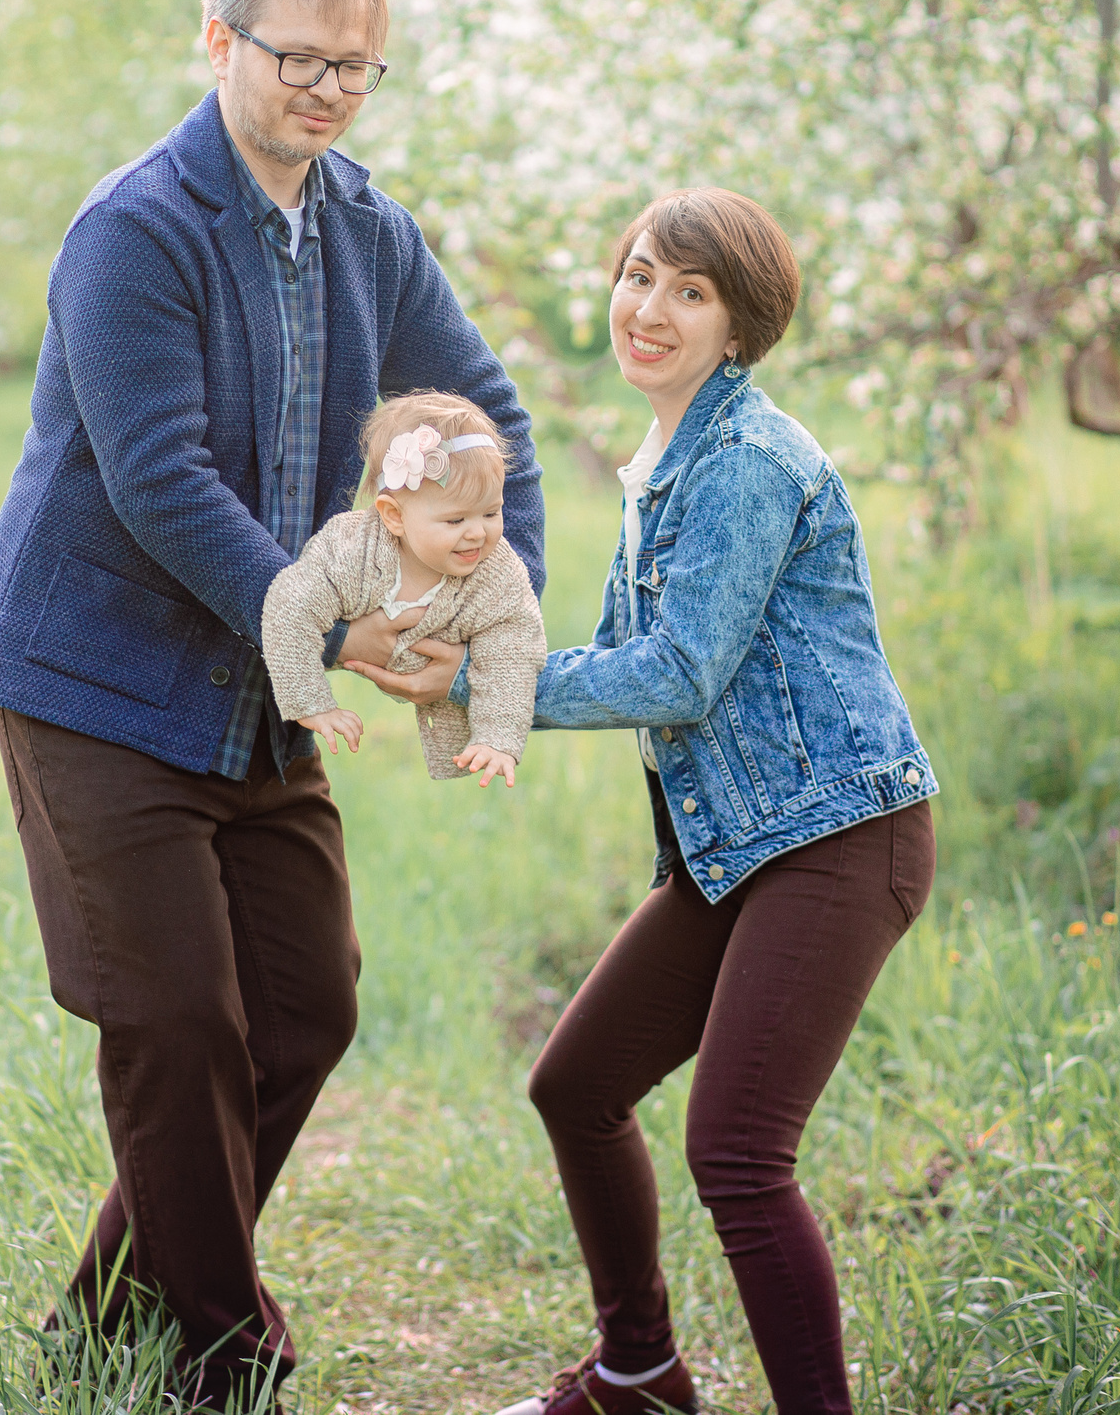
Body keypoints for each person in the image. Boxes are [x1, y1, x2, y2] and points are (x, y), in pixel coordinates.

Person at [0, 0, 545, 1411]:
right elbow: (161, 482)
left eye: (358, 67)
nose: (330, 91)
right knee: (174, 1023)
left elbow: (483, 417)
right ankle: (225, 1361)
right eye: (301, 60)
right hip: (98, 683)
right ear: (218, 42)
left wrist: (487, 615)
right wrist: (338, 631)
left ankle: (107, 1330)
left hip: (255, 697)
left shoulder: (368, 231)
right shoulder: (133, 231)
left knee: (304, 1007)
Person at [350, 188, 937, 1415]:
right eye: (637, 275)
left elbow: (676, 673)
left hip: (838, 836)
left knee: (738, 1152)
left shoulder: (746, 461)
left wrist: (479, 681)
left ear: (739, 326)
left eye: (690, 291)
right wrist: (453, 661)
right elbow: (623, 655)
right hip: (739, 848)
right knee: (575, 1087)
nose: (649, 309)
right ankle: (639, 1375)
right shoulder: (663, 460)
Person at [260, 391, 545, 786]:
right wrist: (310, 702)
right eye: (456, 520)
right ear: (394, 516)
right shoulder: (350, 552)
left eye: (491, 512)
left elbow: (513, 650)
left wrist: (498, 738)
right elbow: (288, 605)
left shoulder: (496, 573)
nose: (478, 533)